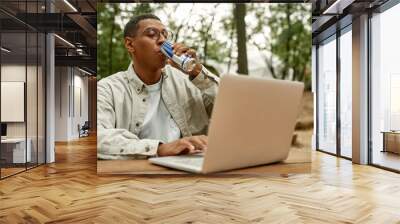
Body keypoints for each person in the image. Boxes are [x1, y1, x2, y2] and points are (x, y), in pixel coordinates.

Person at [97, 14, 220, 160]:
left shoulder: (188, 81)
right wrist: (160, 149)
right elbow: (98, 138)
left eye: (165, 35)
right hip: (139, 174)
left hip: (191, 168)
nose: (162, 40)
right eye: (151, 34)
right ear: (130, 44)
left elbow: (232, 108)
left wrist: (198, 73)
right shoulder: (108, 89)